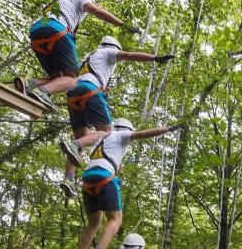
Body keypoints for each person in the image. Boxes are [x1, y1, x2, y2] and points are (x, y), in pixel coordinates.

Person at [58, 36, 175, 196]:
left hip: (73, 95)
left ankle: (68, 178)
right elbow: (130, 55)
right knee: (105, 130)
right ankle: (75, 145)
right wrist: (155, 58)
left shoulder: (88, 56)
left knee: (83, 138)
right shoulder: (108, 52)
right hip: (91, 90)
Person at [65, 121, 181, 249]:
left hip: (88, 179)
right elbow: (143, 134)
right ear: (126, 129)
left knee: (93, 223)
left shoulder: (101, 137)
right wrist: (168, 129)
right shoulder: (121, 134)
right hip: (105, 177)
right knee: (115, 219)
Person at [15, 0, 139, 113]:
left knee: (58, 78)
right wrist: (123, 25)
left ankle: (30, 83)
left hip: (36, 32)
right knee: (71, 80)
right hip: (57, 30)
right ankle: (42, 91)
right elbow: (96, 11)